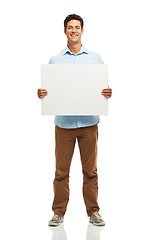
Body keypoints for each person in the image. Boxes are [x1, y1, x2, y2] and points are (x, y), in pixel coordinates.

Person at [37, 14, 112, 227]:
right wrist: (42, 94)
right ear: (65, 31)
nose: (73, 31)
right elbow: (49, 90)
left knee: (91, 171)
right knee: (61, 171)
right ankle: (58, 212)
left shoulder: (95, 58)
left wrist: (107, 92)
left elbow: (101, 88)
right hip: (64, 125)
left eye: (77, 27)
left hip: (89, 123)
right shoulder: (55, 60)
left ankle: (93, 212)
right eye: (70, 27)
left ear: (82, 31)